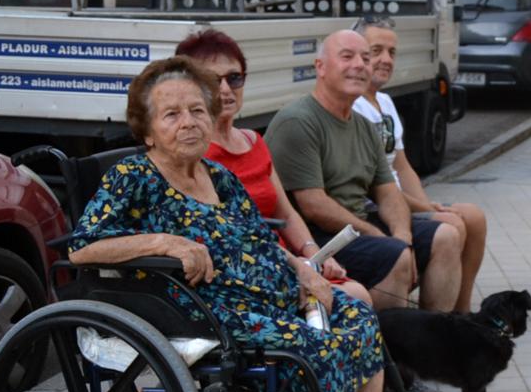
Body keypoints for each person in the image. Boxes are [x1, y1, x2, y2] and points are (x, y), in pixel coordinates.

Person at [68, 57, 442, 392]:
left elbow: (261, 238)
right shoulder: (133, 177)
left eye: (197, 111)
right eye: (171, 114)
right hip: (207, 311)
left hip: (269, 297)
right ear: (147, 130)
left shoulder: (218, 175)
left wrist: (303, 269)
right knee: (310, 346)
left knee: (358, 317)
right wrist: (168, 243)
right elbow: (82, 247)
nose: (188, 122)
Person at [265, 30, 462, 315]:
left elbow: (388, 192)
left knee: (446, 235)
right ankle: (387, 350)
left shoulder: (363, 125)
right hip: (317, 238)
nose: (360, 64)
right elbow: (314, 205)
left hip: (357, 227)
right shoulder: (298, 121)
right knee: (394, 256)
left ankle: (431, 339)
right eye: (347, 56)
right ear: (320, 67)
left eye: (365, 58)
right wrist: (383, 238)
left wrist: (402, 235)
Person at [174, 30, 370, 304]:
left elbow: (285, 213)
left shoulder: (253, 140)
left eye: (235, 78)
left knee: (362, 293)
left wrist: (315, 252)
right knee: (355, 298)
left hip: (283, 259)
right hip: (245, 272)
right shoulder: (193, 153)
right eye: (212, 80)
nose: (226, 89)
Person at [351, 17, 487, 313]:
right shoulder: (354, 106)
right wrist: (427, 211)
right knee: (451, 225)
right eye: (376, 51)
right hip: (379, 208)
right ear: (359, 55)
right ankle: (430, 320)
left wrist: (427, 205)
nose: (386, 59)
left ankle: (461, 316)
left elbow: (402, 167)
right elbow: (375, 187)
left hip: (403, 201)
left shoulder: (384, 102)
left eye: (392, 52)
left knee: (474, 217)